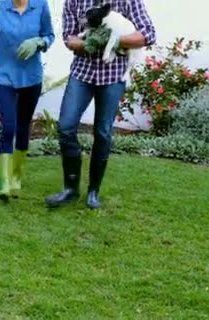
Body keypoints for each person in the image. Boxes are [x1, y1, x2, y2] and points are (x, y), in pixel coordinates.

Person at [45, 0, 156, 209]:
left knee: (103, 132)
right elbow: (70, 40)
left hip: (113, 77)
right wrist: (91, 42)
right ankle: (70, 189)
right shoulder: (73, 2)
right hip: (82, 73)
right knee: (66, 127)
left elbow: (147, 34)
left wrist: (113, 40)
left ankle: (93, 192)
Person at [0, 0, 55, 201]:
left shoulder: (40, 5)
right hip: (6, 77)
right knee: (9, 127)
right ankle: (4, 182)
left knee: (23, 126)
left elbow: (49, 36)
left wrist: (39, 42)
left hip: (31, 78)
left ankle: (16, 177)